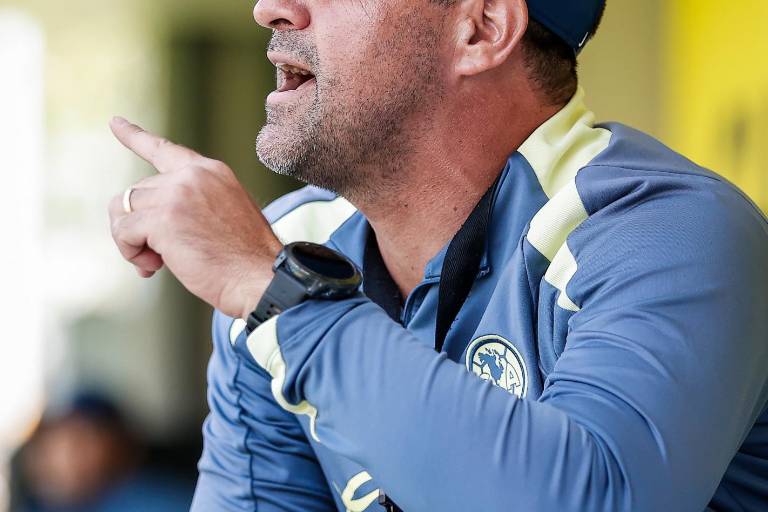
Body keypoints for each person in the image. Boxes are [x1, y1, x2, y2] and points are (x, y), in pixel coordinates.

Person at [106, 0, 768, 510]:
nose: (271, 8)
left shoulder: (671, 230)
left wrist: (279, 292)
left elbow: (595, 498)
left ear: (481, 28)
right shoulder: (297, 241)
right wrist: (277, 287)